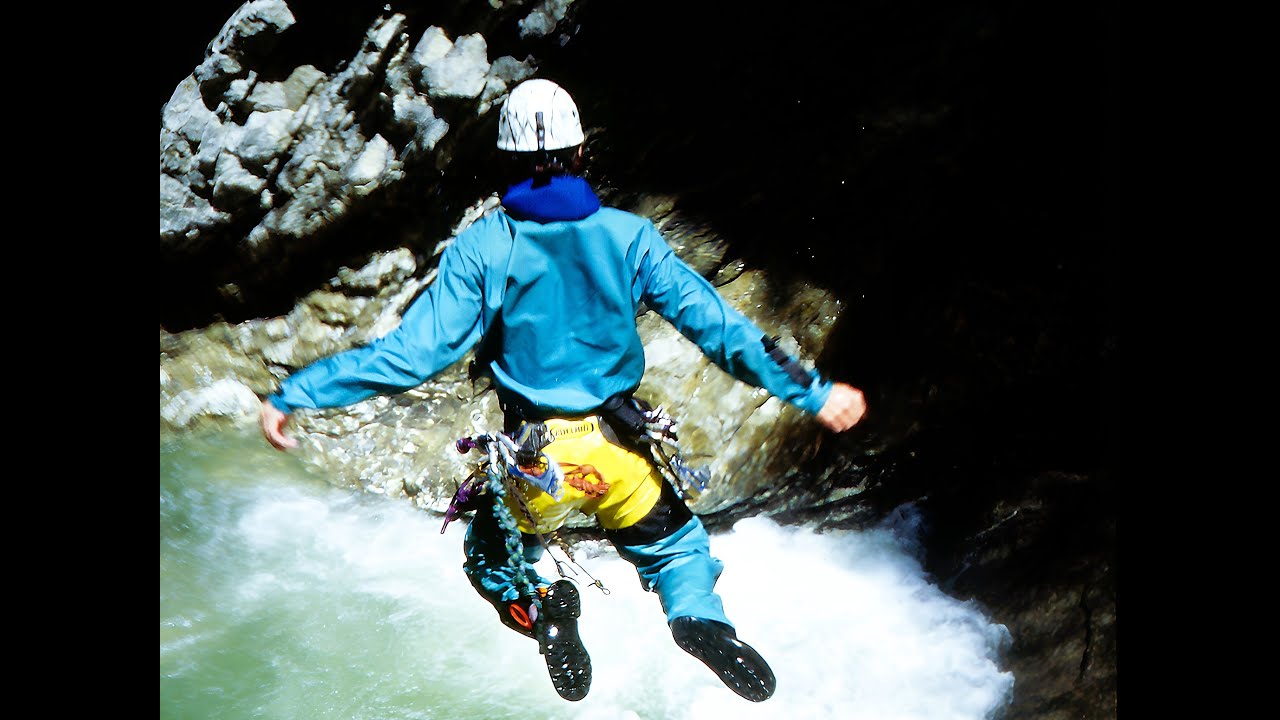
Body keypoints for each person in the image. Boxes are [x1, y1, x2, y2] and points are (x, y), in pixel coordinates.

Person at [260, 78, 867, 703]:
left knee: (492, 557)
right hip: (620, 450)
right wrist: (815, 392)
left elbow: (413, 355)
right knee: (676, 548)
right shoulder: (630, 237)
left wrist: (297, 392)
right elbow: (719, 328)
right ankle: (699, 622)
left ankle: (544, 609)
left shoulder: (484, 247)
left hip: (535, 462)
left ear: (505, 160)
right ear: (580, 153)